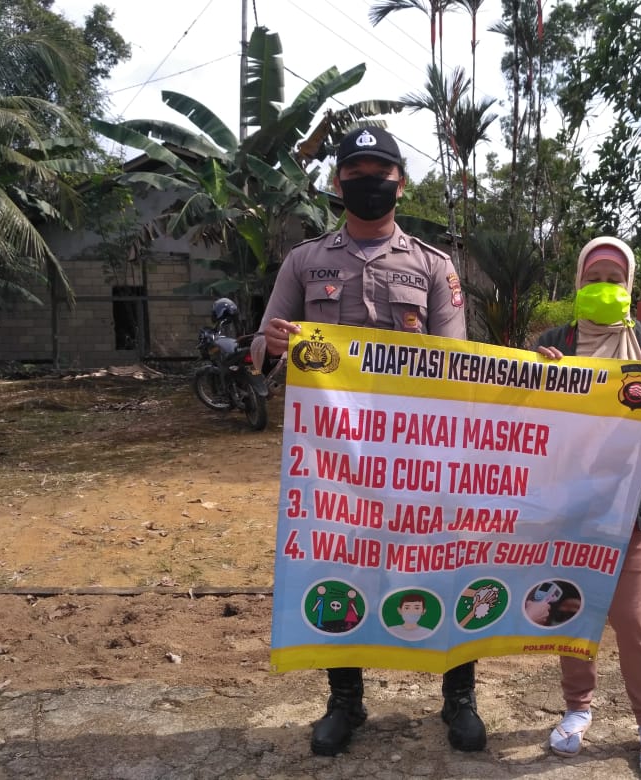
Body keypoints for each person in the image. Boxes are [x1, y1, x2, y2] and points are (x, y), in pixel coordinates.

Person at [253, 126, 484, 757]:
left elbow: (456, 362)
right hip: (336, 458)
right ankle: (345, 701)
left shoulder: (433, 265)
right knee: (338, 564)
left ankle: (459, 696)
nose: (368, 182)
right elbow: (261, 349)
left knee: (442, 559)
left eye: (380, 172)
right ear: (337, 183)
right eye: (355, 172)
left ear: (400, 183)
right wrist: (271, 343)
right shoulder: (304, 262)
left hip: (420, 452)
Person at [535, 236, 641, 777]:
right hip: (569, 508)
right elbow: (521, 415)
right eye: (594, 278)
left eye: (614, 279)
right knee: (571, 611)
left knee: (633, 620)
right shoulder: (554, 344)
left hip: (632, 510)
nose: (603, 287)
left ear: (629, 286)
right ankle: (577, 709)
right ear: (577, 283)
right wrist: (537, 378)